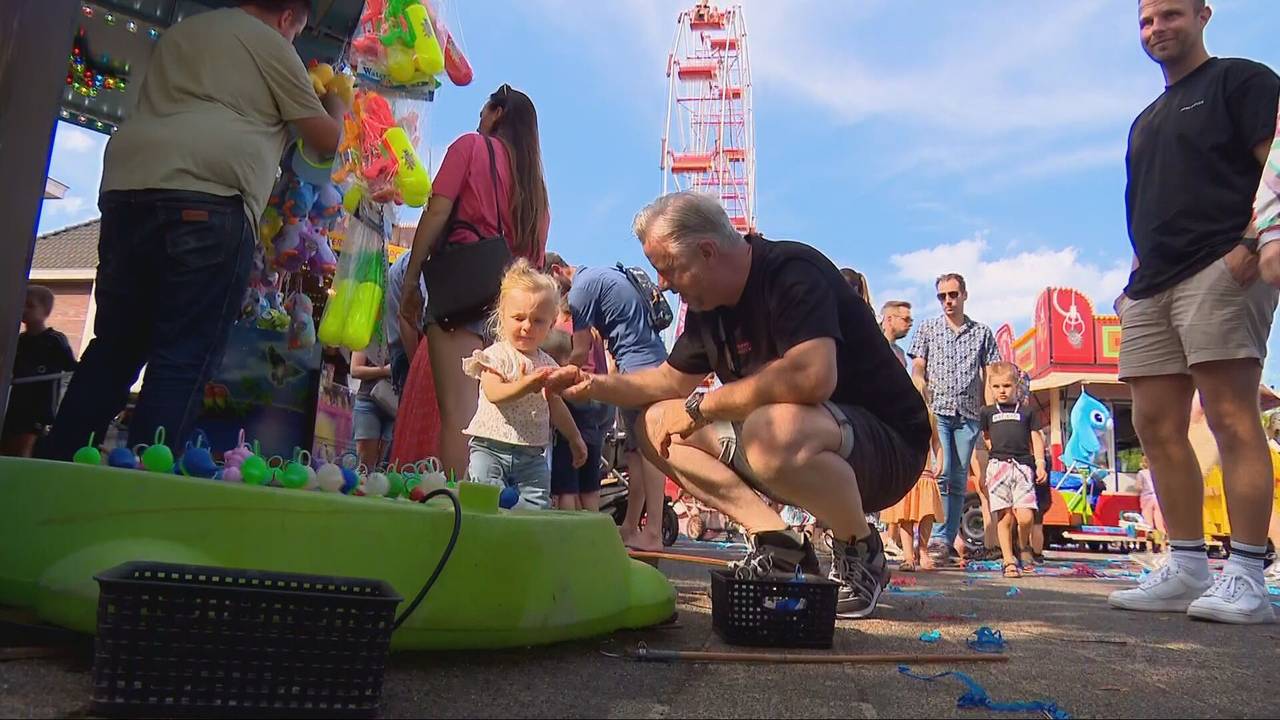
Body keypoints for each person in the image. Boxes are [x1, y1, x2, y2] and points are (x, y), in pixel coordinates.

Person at [564, 192, 930, 618]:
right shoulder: (710, 305)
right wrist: (590, 384)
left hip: (888, 448)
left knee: (770, 428)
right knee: (654, 423)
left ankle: (859, 549)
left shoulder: (792, 272)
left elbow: (812, 375)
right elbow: (666, 381)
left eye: (667, 268)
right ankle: (778, 541)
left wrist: (705, 406)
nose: (663, 283)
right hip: (805, 443)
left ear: (706, 251)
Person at [40, 0, 344, 461]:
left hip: (129, 191)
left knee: (115, 348)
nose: (294, 39)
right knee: (183, 355)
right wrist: (337, 103)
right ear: (287, 18)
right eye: (297, 30)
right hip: (209, 198)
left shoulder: (185, 33)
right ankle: (143, 482)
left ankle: (54, 467)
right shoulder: (271, 43)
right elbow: (325, 138)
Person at [1108, 0, 1279, 624]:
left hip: (1223, 264)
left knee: (1232, 417)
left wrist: (1253, 242)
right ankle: (1185, 566)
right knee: (1154, 424)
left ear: (1205, 15)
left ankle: (1248, 575)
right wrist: (1131, 284)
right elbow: (1145, 209)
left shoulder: (1243, 80)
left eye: (1170, 15)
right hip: (1152, 283)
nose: (1157, 30)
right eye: (1147, 21)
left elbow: (1277, 168)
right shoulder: (1144, 121)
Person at [399, 84, 550, 484]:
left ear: (497, 113)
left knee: (458, 419)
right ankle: (490, 506)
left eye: (484, 109)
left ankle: (456, 513)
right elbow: (534, 263)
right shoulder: (536, 188)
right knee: (490, 427)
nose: (478, 118)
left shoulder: (471, 147)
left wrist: (412, 279)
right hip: (508, 312)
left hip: (461, 298)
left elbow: (436, 212)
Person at [544, 252, 670, 550]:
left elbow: (578, 352)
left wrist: (549, 380)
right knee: (637, 453)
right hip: (645, 361)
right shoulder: (605, 275)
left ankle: (652, 531)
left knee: (650, 449)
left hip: (637, 366)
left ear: (557, 270)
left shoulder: (581, 290)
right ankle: (630, 527)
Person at [460, 260, 585, 509]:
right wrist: (527, 384)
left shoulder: (546, 363)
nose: (527, 326)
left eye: (538, 321)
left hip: (531, 454)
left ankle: (522, 542)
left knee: (537, 504)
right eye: (519, 318)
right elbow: (494, 392)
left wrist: (574, 437)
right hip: (490, 446)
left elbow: (555, 404)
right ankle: (479, 540)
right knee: (483, 499)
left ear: (551, 324)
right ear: (502, 316)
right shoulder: (495, 355)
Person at [909, 273, 1000, 564]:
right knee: (942, 472)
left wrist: (991, 414)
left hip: (970, 413)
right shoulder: (928, 328)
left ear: (964, 295)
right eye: (942, 296)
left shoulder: (982, 332)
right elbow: (918, 365)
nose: (948, 301)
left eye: (952, 295)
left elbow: (991, 374)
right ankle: (936, 536)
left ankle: (945, 540)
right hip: (939, 411)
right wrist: (919, 383)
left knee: (960, 479)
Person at [979, 362, 1046, 578]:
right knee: (1005, 517)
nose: (1002, 391)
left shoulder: (1027, 412)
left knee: (1026, 517)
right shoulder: (987, 412)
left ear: (1016, 386)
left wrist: (1040, 463)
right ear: (990, 387)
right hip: (999, 467)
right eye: (996, 386)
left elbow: (1035, 437)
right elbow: (986, 436)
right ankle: (1008, 559)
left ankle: (1024, 545)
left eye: (1006, 386)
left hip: (1023, 467)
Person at [545, 304, 611, 511]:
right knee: (590, 490)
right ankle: (593, 532)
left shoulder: (559, 394)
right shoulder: (592, 332)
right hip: (593, 434)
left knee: (567, 490)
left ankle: (568, 532)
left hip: (568, 443)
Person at [2, 286, 77, 457]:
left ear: (45, 311)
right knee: (7, 445)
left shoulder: (55, 340)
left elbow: (70, 366)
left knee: (25, 447)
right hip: (15, 405)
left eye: (29, 305)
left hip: (39, 407)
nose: (23, 310)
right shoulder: (18, 341)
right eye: (21, 304)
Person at [878, 378, 944, 571]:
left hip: (925, 473)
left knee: (927, 515)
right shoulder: (896, 416)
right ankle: (908, 556)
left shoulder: (930, 417)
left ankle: (923, 551)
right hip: (906, 472)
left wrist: (940, 460)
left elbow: (937, 442)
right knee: (904, 517)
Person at [383, 251, 426, 394]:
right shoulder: (417, 264)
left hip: (404, 350)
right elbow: (407, 316)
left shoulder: (407, 262)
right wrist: (416, 367)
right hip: (410, 352)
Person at [350, 341, 394, 470]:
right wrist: (385, 371)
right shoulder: (368, 334)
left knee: (388, 465)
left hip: (396, 405)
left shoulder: (407, 331)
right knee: (364, 465)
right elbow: (355, 369)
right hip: (368, 400)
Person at [1029, 428, 1053, 564]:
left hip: (1032, 496)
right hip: (1043, 497)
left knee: (1030, 524)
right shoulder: (1046, 460)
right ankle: (1037, 554)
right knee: (1038, 525)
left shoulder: (1031, 461)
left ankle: (1028, 551)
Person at [1135, 455, 1167, 541]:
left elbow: (1139, 487)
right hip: (1158, 498)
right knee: (1160, 524)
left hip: (1147, 499)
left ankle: (1149, 547)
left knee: (1148, 525)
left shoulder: (1141, 473)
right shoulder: (1159, 472)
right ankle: (1162, 546)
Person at [880, 300, 913, 370]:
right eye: (906, 319)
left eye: (911, 320)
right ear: (889, 319)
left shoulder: (900, 353)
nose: (910, 324)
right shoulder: (873, 346)